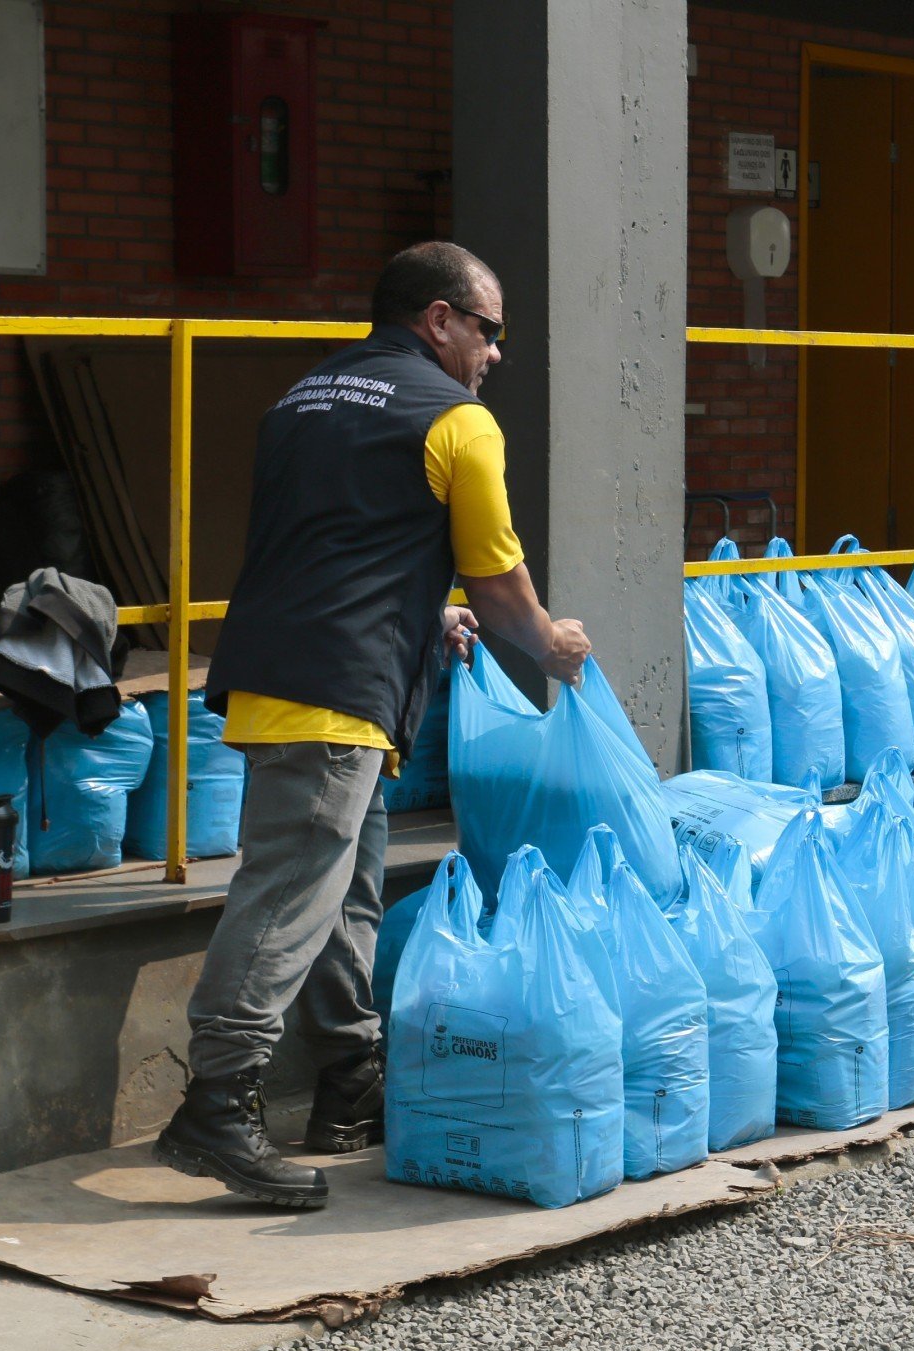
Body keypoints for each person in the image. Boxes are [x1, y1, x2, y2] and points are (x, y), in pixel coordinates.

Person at [154, 242, 592, 1208]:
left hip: (280, 674)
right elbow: (501, 580)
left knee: (347, 888)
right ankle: (217, 1105)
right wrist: (550, 643)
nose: (496, 353)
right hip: (335, 696)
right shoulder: (457, 421)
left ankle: (349, 1082)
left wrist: (424, 612)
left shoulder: (300, 400)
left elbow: (335, 538)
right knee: (288, 896)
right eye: (489, 329)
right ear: (439, 320)